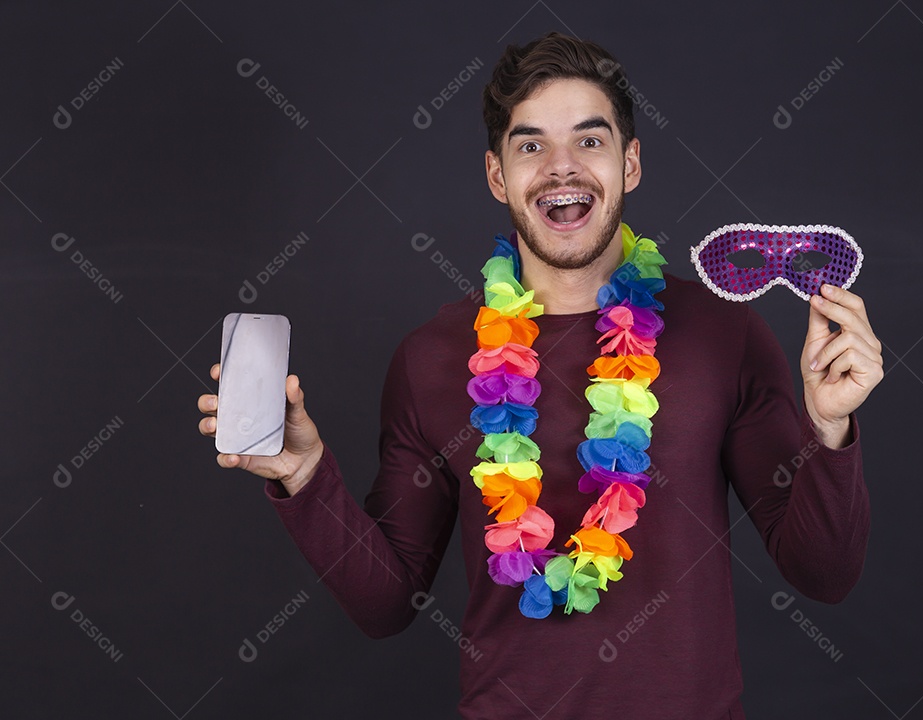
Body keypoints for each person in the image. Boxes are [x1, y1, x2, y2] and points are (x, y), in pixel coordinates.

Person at [198, 32, 882, 718]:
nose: (562, 169)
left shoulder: (723, 334)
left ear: (630, 163)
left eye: (590, 140)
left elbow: (821, 575)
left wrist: (829, 429)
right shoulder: (431, 359)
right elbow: (386, 606)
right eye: (530, 145)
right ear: (498, 175)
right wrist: (305, 475)